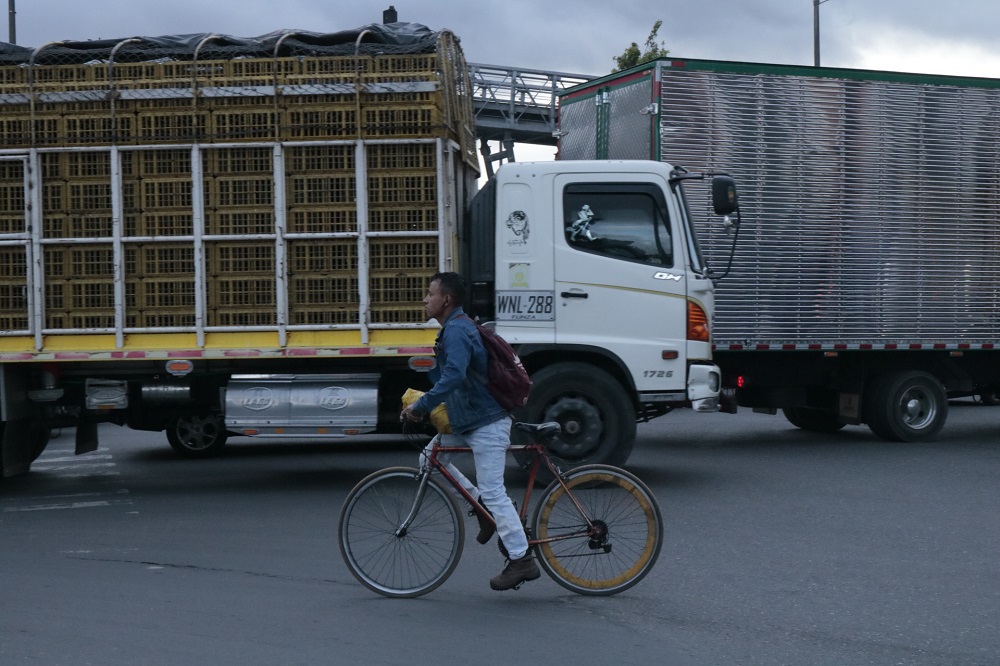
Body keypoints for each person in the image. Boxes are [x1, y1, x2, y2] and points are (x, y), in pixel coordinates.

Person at [400, 271, 540, 591]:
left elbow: (452, 377)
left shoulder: (457, 331)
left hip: (486, 422)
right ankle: (481, 507)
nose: (425, 298)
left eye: (430, 293)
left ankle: (522, 559)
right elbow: (456, 384)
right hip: (468, 421)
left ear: (446, 300)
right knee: (429, 461)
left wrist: (421, 406)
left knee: (494, 489)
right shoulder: (457, 327)